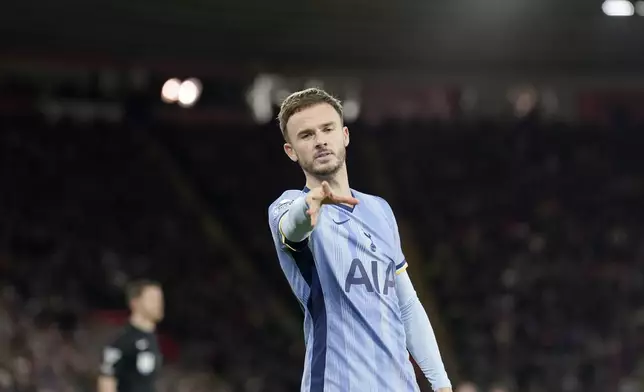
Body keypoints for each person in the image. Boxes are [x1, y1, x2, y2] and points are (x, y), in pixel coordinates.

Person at [267, 88, 452, 392]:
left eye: (327, 129)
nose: (320, 141)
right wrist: (307, 208)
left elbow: (406, 304)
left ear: (345, 135)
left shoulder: (379, 210)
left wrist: (441, 384)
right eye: (306, 135)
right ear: (291, 151)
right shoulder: (287, 206)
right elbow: (292, 227)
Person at [98, 280, 164, 392]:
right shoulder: (123, 341)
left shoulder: (151, 338)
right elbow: (107, 380)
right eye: (152, 299)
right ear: (135, 303)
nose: (158, 304)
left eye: (160, 299)